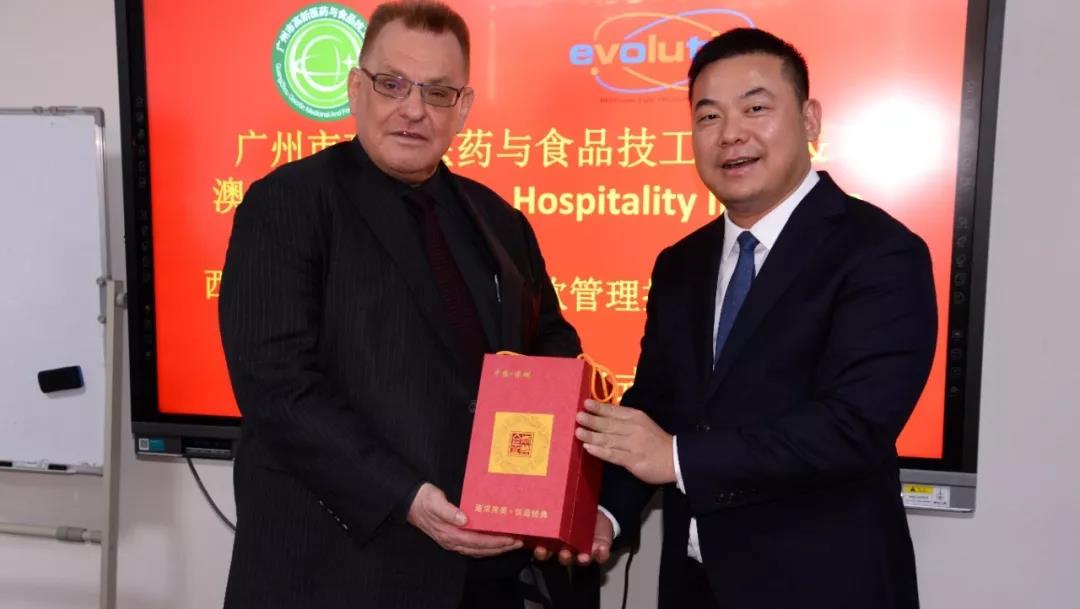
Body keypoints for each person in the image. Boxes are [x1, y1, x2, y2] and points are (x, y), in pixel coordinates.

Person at [217, 2, 582, 608]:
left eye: (437, 93)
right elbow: (277, 387)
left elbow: (550, 338)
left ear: (463, 108)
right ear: (355, 88)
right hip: (337, 573)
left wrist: (539, 483)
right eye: (392, 84)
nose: (413, 109)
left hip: (482, 576)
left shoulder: (498, 220)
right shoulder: (288, 204)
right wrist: (404, 496)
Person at [563, 28, 937, 609]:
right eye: (709, 116)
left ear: (810, 120)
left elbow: (852, 427)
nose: (731, 133)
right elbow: (658, 403)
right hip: (694, 586)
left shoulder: (880, 252)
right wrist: (606, 513)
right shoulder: (681, 263)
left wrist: (678, 457)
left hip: (823, 588)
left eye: (756, 108)